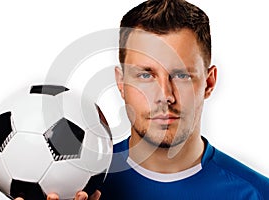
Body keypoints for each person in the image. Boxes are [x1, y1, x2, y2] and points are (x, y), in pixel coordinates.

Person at [16, 0, 269, 199]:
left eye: (181, 75)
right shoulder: (70, 187)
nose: (165, 96)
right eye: (146, 75)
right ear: (121, 82)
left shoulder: (258, 193)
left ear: (209, 82)